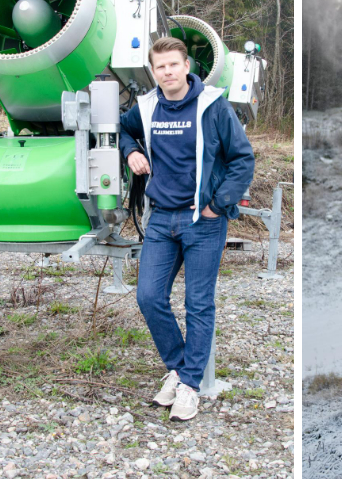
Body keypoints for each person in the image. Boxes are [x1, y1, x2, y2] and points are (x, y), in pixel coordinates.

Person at [119, 37, 255, 421]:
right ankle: (180, 370)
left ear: (186, 66)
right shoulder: (146, 107)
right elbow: (123, 130)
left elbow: (242, 159)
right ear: (153, 71)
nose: (167, 72)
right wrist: (130, 151)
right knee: (148, 297)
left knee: (198, 304)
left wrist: (218, 205)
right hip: (161, 218)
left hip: (203, 222)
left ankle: (190, 386)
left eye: (174, 65)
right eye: (160, 67)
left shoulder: (213, 106)